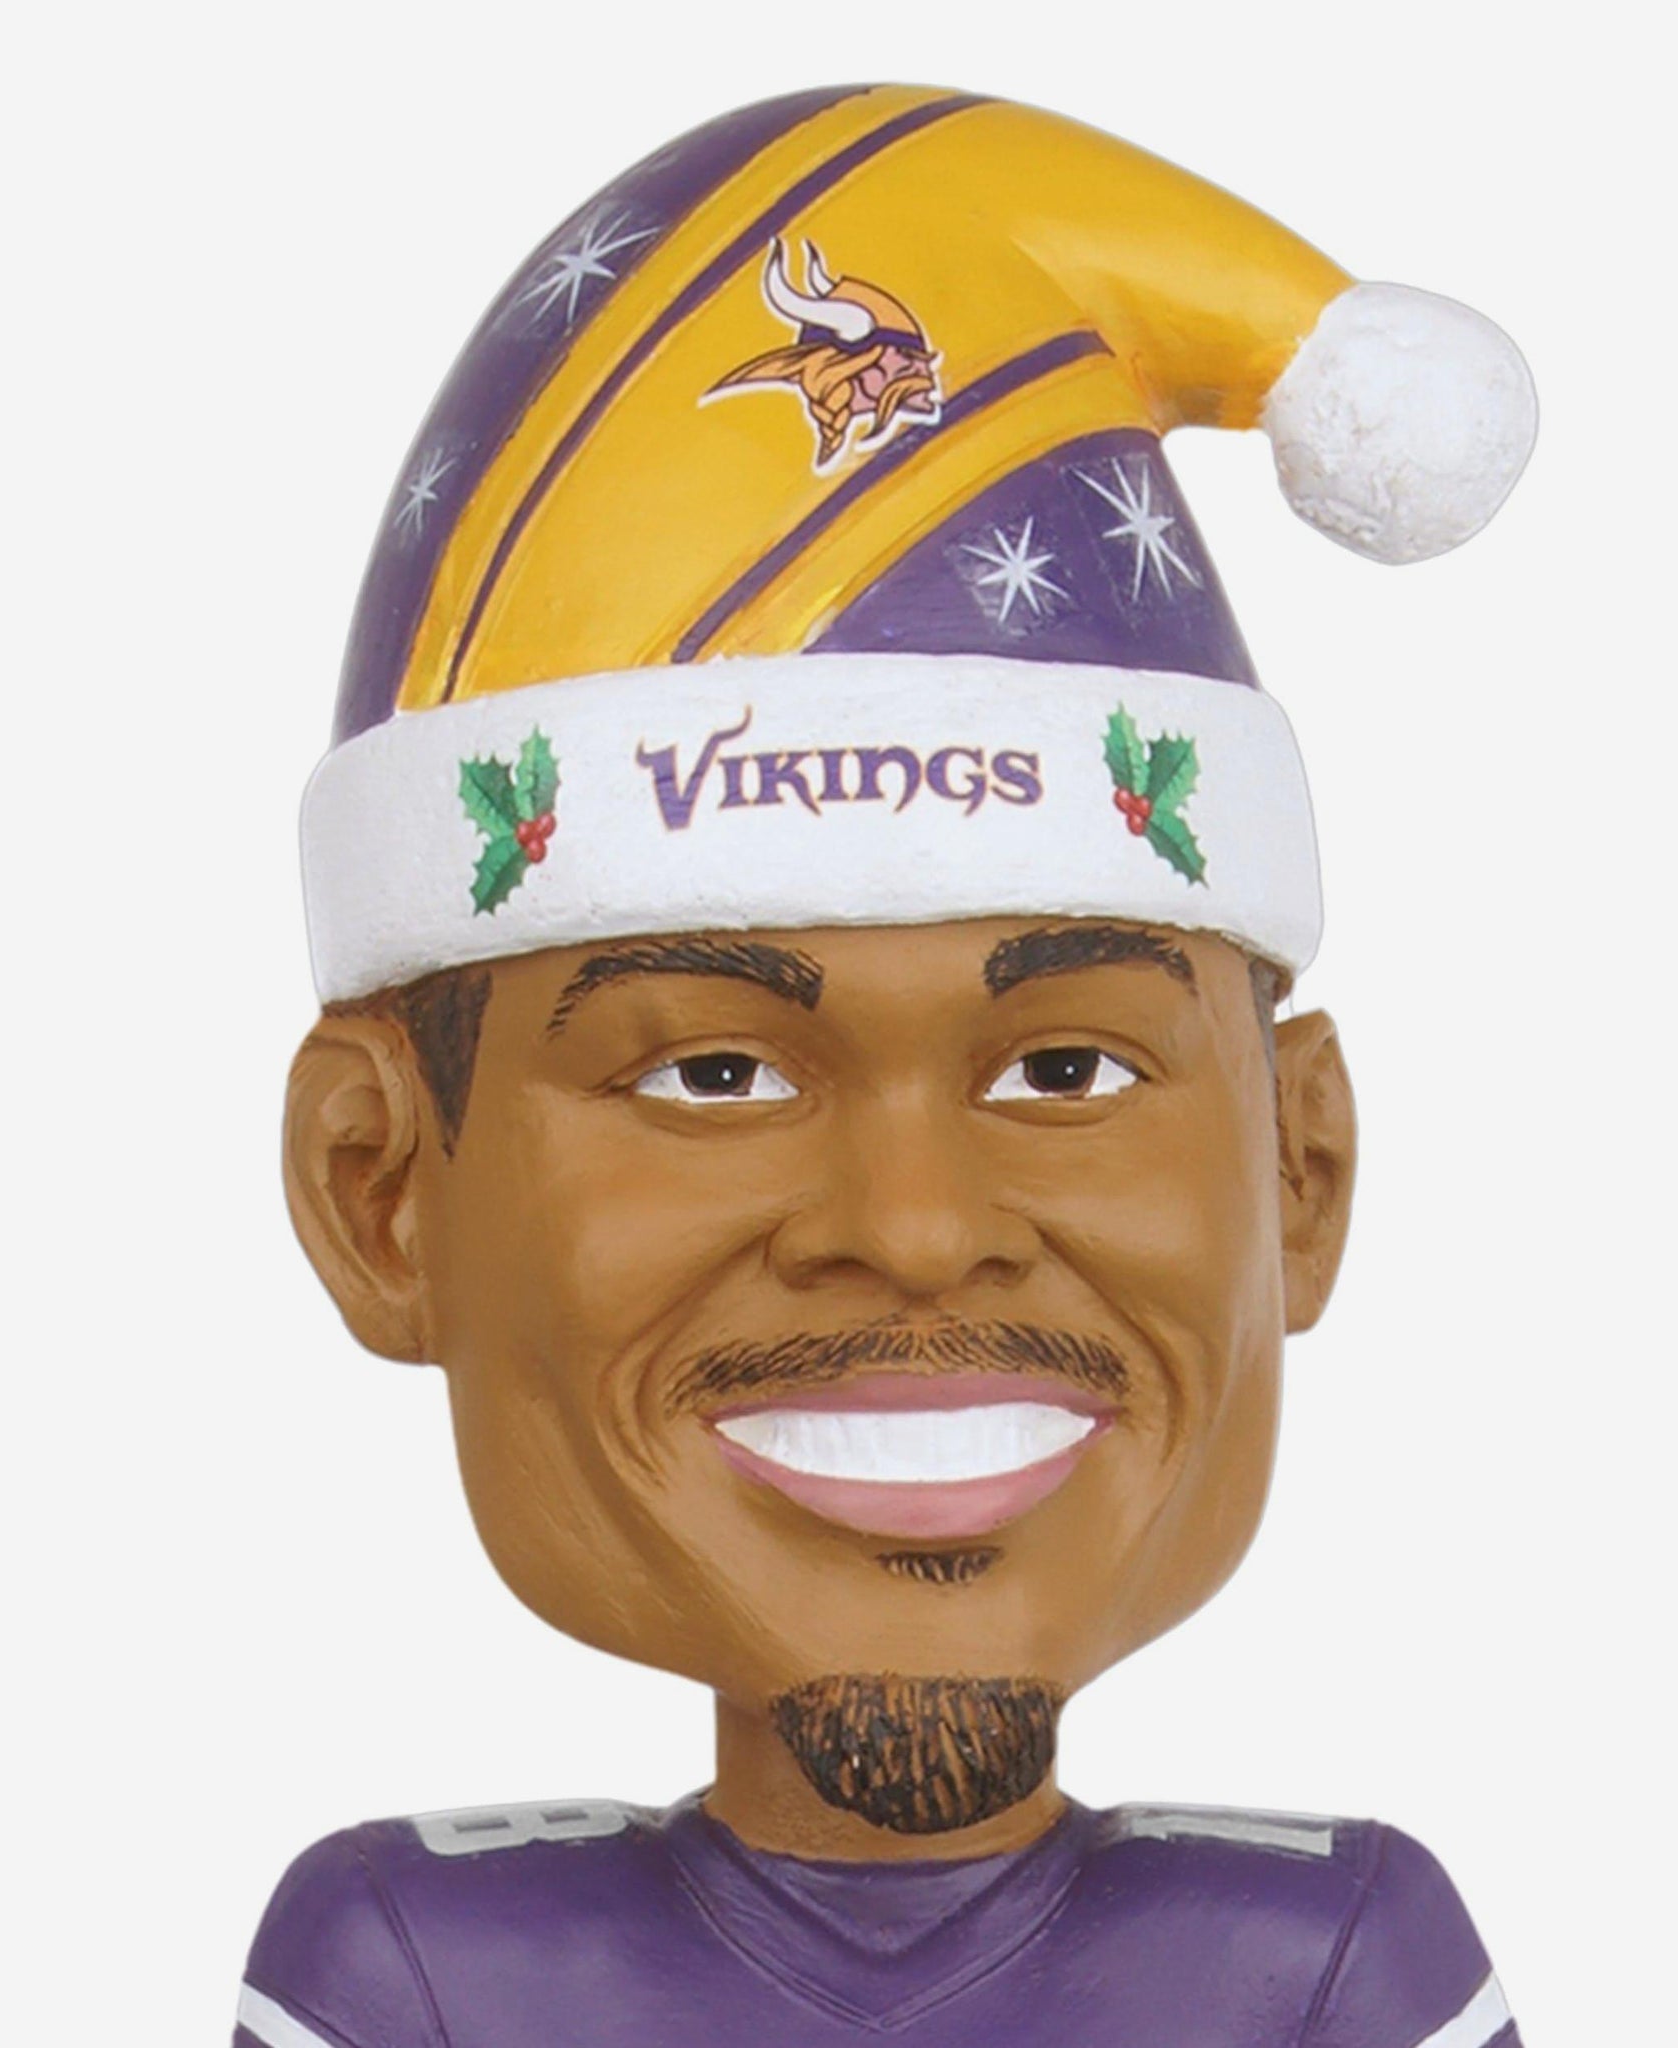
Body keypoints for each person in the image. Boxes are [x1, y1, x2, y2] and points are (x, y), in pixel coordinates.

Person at [241, 84, 1537, 2048]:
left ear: (1302, 1170)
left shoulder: (1339, 1965)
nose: (918, 1234)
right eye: (715, 1080)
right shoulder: (411, 1973)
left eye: (1067, 1072)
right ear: (380, 1194)